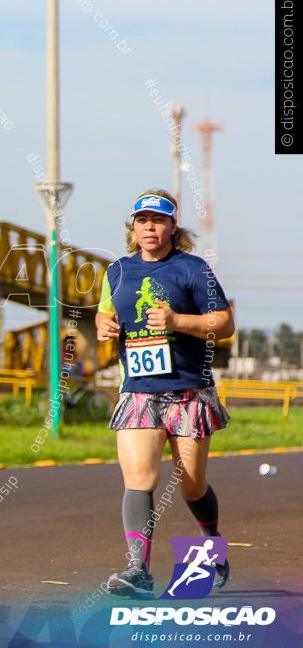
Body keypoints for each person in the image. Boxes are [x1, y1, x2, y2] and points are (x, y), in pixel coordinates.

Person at [96, 190, 235, 599]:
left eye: (157, 221)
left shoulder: (191, 269)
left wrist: (177, 321)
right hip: (139, 391)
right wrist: (104, 325)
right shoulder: (117, 270)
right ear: (133, 227)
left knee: (191, 485)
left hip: (189, 389)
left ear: (174, 226)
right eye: (142, 221)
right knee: (139, 478)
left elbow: (224, 323)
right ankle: (137, 569)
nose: (149, 227)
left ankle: (212, 546)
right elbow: (106, 309)